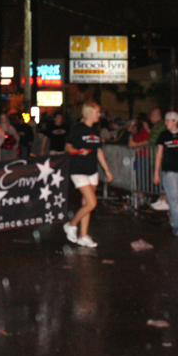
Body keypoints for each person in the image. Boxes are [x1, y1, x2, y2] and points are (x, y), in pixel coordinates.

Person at [63, 101, 113, 248]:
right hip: (78, 169)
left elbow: (98, 151)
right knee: (92, 202)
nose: (99, 115)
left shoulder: (96, 130)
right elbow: (67, 147)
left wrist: (107, 170)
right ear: (89, 113)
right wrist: (78, 151)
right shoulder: (77, 128)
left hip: (92, 170)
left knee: (87, 204)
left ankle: (83, 235)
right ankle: (71, 225)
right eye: (97, 112)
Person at [146, 108, 170, 211]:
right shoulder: (160, 127)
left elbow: (152, 140)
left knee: (164, 180)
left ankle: (165, 200)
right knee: (163, 180)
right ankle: (162, 199)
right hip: (162, 157)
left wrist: (136, 144)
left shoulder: (159, 126)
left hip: (161, 157)